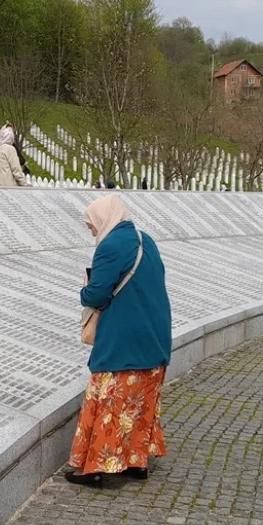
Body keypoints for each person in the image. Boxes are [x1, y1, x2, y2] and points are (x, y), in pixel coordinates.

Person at [68, 194, 172, 488]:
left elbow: (97, 294)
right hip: (155, 336)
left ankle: (95, 468)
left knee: (109, 404)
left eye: (91, 225)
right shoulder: (145, 239)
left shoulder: (110, 246)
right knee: (140, 403)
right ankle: (136, 462)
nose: (91, 232)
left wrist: (84, 290)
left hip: (124, 340)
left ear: (103, 220)